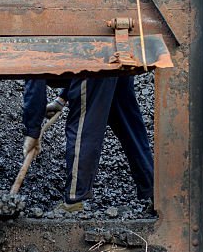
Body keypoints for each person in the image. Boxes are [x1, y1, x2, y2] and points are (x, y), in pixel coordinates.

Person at [59, 74, 154, 213]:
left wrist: (33, 130)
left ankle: (73, 199)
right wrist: (61, 99)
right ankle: (155, 190)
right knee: (129, 125)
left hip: (94, 62)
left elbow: (77, 61)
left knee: (83, 126)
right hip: (120, 60)